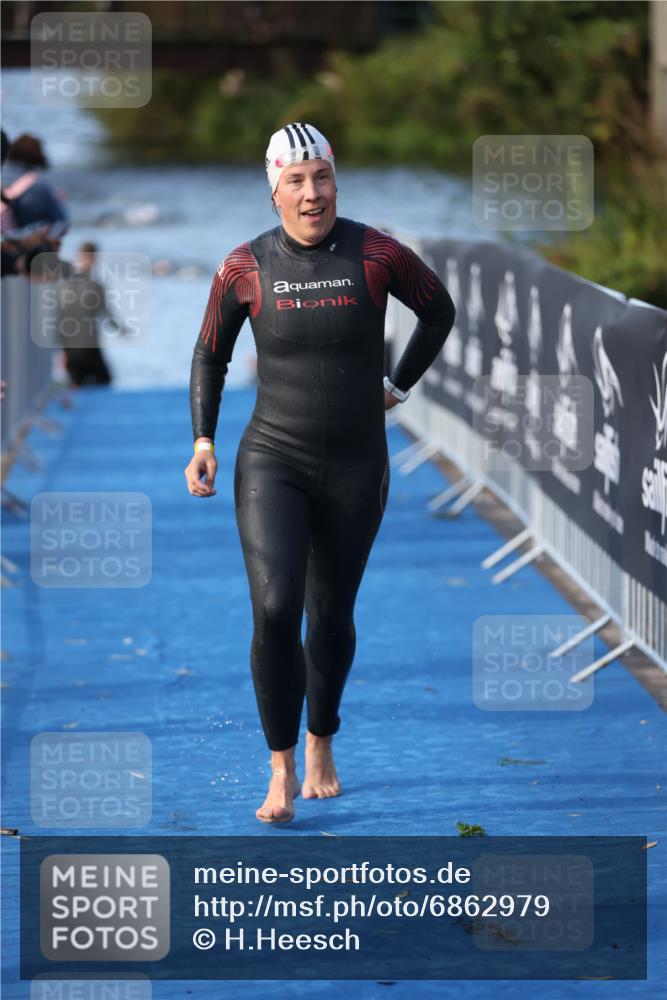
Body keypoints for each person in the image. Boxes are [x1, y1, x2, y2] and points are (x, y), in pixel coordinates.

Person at [185, 123, 455, 823]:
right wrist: (204, 440)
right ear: (274, 190)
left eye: (323, 178)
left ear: (336, 179)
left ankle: (320, 741)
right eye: (297, 182)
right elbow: (209, 356)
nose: (313, 193)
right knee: (275, 608)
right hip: (272, 456)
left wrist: (396, 387)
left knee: (329, 613)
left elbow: (438, 311)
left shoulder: (376, 252)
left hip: (356, 463)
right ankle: (277, 768)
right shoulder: (244, 266)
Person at [57, 242, 120, 387]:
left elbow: (59, 319)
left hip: (75, 347)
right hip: (86, 347)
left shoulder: (66, 284)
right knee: (103, 382)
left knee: (78, 386)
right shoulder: (95, 286)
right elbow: (107, 315)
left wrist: (61, 349)